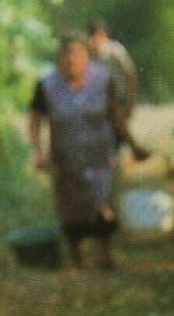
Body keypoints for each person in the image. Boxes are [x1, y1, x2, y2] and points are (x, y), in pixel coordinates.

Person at [28, 32, 127, 269]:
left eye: (77, 54)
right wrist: (39, 152)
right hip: (65, 157)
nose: (71, 59)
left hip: (100, 153)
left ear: (87, 57)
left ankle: (105, 254)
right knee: (71, 207)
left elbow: (115, 114)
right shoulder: (46, 85)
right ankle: (78, 257)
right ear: (58, 58)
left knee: (102, 202)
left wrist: (130, 143)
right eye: (66, 54)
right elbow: (35, 120)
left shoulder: (103, 79)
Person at [87, 17, 151, 163]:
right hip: (100, 99)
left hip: (119, 98)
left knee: (117, 124)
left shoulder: (115, 50)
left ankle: (133, 150)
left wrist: (131, 100)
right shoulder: (90, 55)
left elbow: (130, 75)